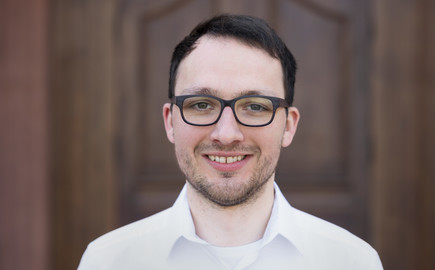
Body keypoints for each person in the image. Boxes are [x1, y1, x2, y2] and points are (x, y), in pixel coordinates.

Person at [78, 14, 383, 270]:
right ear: (170, 121)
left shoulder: (352, 261)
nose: (226, 134)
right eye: (201, 104)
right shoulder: (107, 261)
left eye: (254, 106)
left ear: (288, 126)